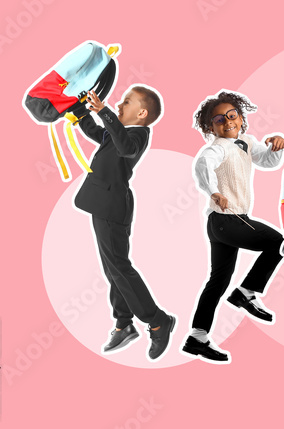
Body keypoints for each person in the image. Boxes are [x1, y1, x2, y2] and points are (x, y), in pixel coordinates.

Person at [74, 85, 176, 361]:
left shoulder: (138, 134)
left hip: (111, 205)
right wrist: (80, 111)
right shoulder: (120, 132)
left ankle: (157, 321)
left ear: (141, 113)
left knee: (119, 267)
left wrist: (104, 111)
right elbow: (99, 134)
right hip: (103, 204)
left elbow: (125, 147)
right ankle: (123, 323)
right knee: (113, 269)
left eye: (126, 102)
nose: (119, 104)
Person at [185, 90, 284, 363]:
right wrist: (212, 191)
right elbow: (202, 164)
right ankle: (245, 293)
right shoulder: (216, 147)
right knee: (278, 242)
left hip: (226, 223)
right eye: (219, 119)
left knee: (218, 281)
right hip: (226, 219)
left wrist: (276, 146)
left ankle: (197, 337)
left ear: (241, 118)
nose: (227, 122)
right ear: (210, 127)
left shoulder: (246, 141)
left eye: (232, 116)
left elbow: (266, 161)